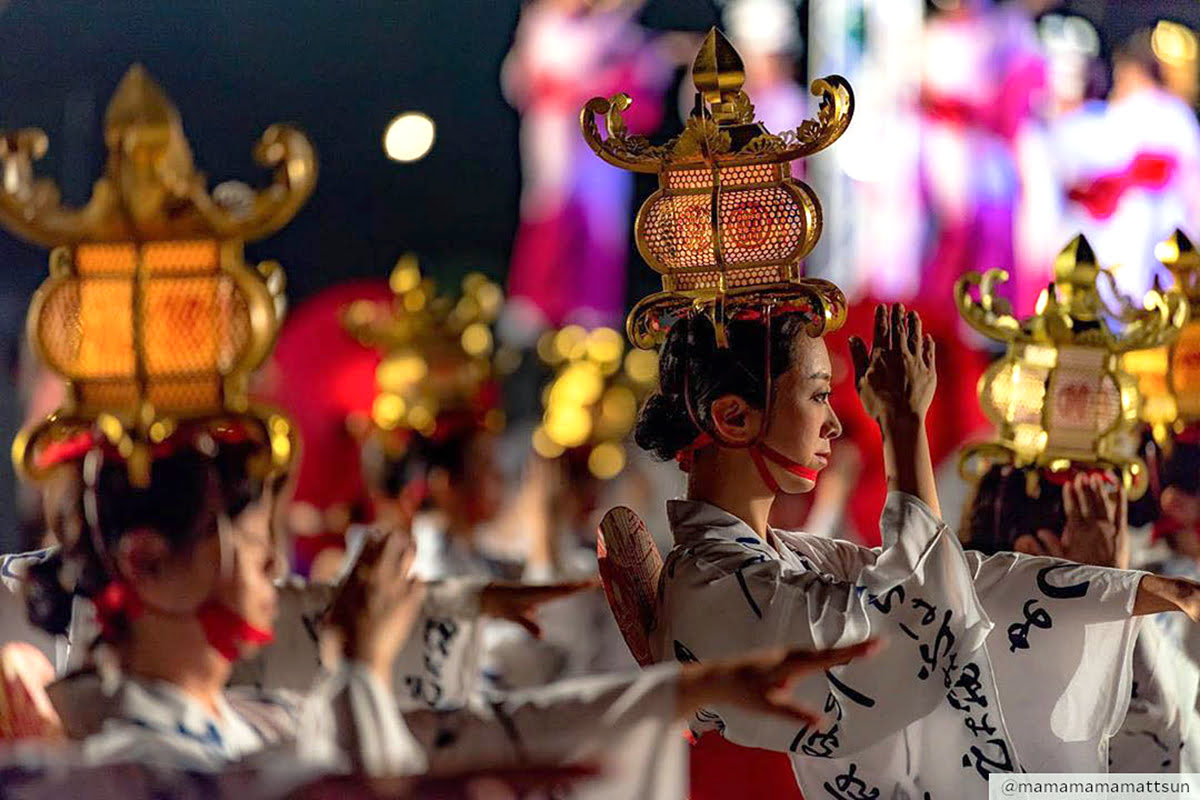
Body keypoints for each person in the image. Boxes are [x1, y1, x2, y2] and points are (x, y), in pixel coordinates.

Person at [7, 425, 882, 800]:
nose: (276, 563)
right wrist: (355, 662)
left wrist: (683, 693)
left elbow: (459, 731)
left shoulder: (257, 715)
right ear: (148, 563)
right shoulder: (97, 762)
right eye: (244, 537)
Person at [640, 302, 1200, 797]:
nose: (834, 422)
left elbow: (963, 581)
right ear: (733, 418)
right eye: (817, 394)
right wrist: (903, 424)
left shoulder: (785, 560)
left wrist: (1132, 590)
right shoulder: (711, 589)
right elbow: (917, 619)